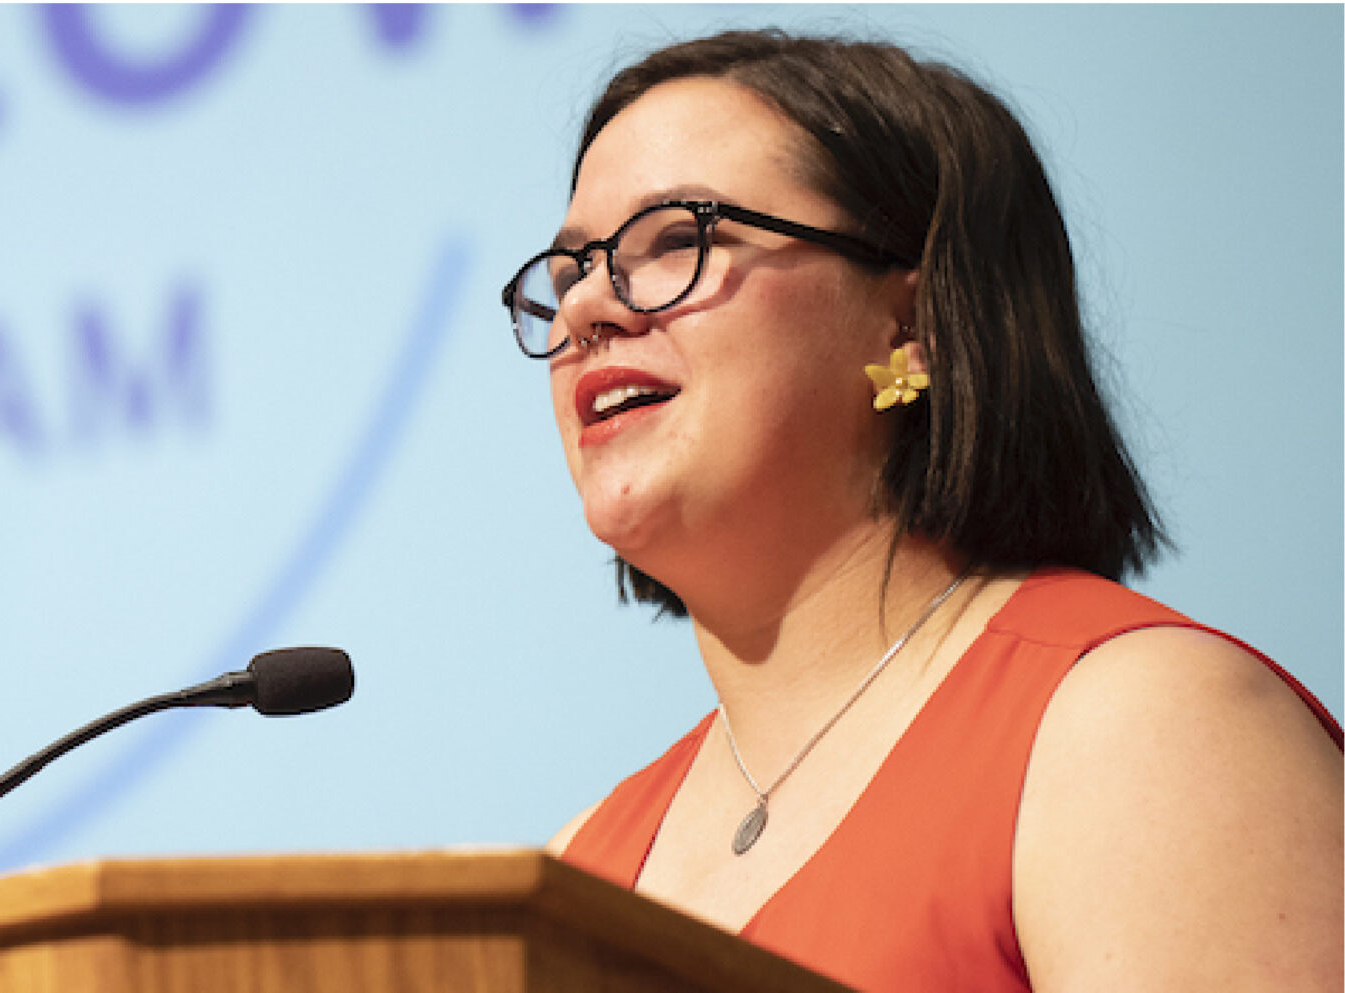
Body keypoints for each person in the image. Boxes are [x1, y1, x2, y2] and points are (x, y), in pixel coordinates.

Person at [511, 30, 1343, 992]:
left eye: (677, 243)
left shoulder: (1142, 732)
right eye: (573, 271)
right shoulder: (588, 861)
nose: (585, 312)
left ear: (915, 328)